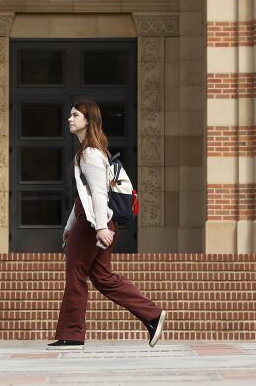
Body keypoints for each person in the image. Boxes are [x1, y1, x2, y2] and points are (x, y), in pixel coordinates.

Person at [47, 99, 167, 350]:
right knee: (103, 278)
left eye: (74, 115)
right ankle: (152, 314)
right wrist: (69, 228)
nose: (69, 119)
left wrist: (101, 227)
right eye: (70, 115)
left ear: (88, 120)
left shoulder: (89, 153)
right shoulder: (93, 151)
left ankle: (72, 333)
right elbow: (84, 198)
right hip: (90, 221)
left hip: (92, 224)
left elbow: (99, 195)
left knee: (76, 275)